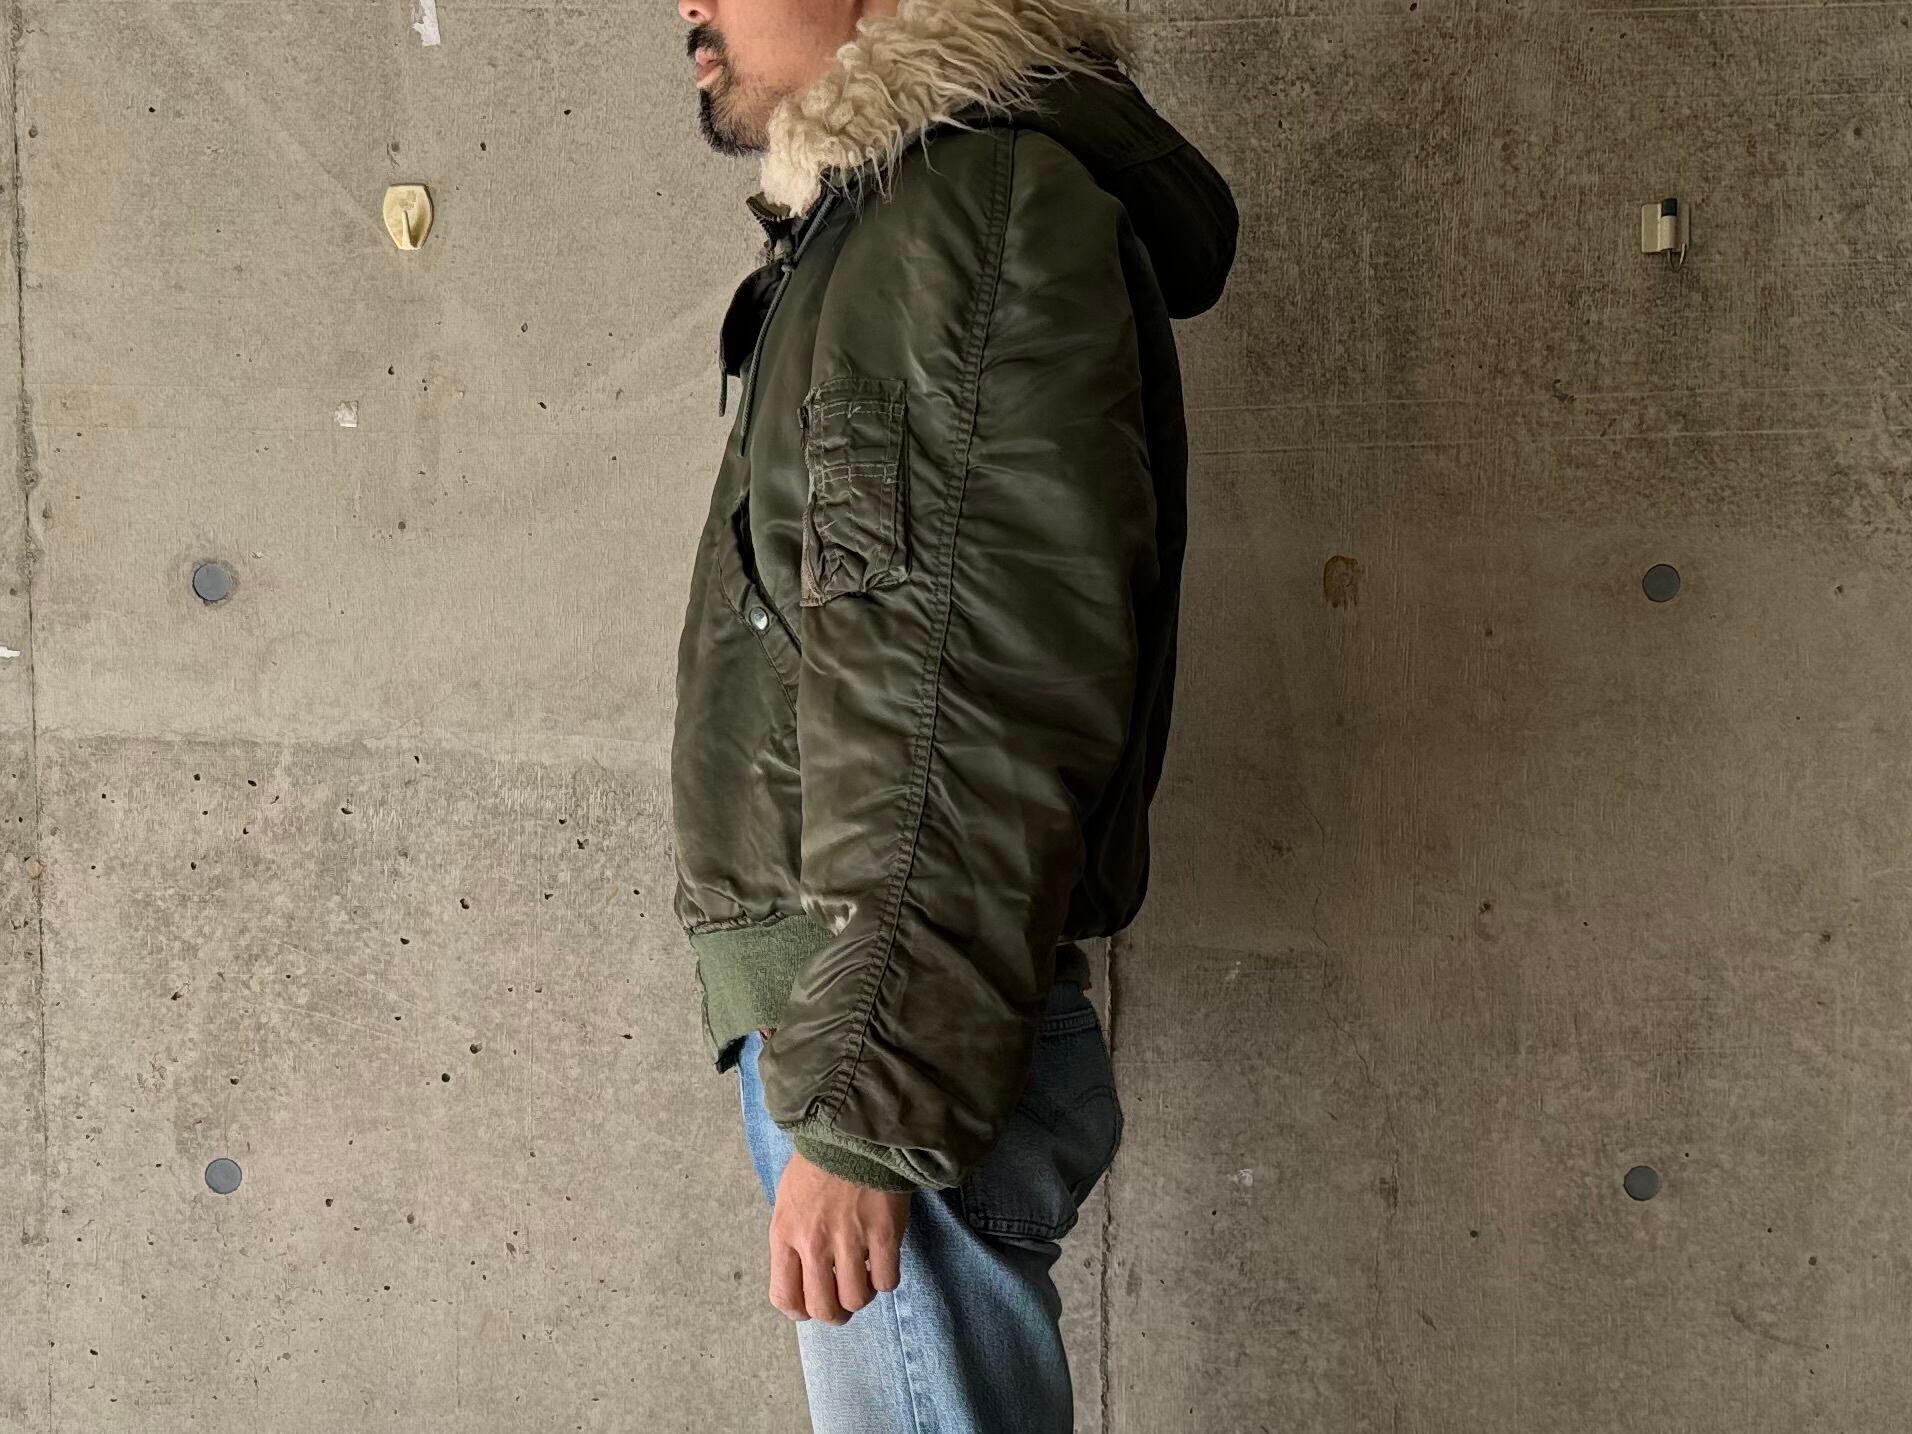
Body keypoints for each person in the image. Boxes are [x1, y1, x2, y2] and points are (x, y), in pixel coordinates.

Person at [667, 0, 1237, 1425]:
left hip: (890, 1033)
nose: (686, 3)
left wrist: (871, 1105)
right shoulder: (889, 219)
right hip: (876, 1013)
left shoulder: (961, 210)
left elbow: (967, 687)